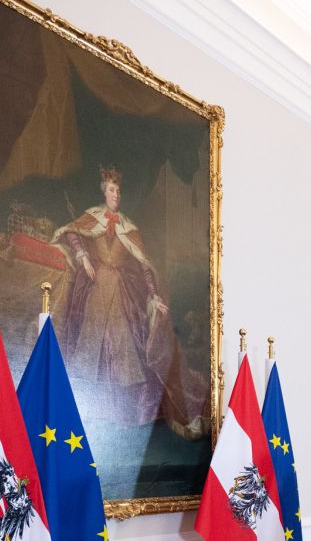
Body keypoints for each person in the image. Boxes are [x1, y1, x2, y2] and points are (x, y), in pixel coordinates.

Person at [52, 167, 202, 433]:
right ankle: (88, 411)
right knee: (91, 346)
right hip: (95, 291)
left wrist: (154, 296)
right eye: (112, 189)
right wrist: (82, 256)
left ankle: (126, 412)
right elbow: (71, 232)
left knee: (123, 345)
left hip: (121, 292)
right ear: (103, 191)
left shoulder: (129, 228)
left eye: (119, 190)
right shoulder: (92, 217)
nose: (116, 194)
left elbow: (145, 266)